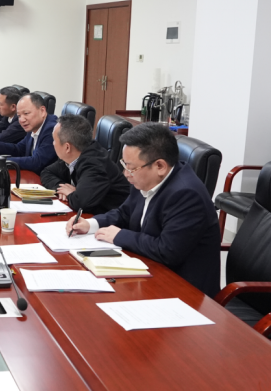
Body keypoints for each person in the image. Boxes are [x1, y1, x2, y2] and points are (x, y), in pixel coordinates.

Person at [66, 123, 221, 298]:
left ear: (160, 166)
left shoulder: (186, 194)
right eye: (124, 165)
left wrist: (119, 235)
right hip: (151, 270)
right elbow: (125, 213)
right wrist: (91, 224)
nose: (125, 173)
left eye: (131, 167)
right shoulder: (146, 178)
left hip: (184, 291)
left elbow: (167, 251)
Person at [40, 114, 129, 214]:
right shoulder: (74, 154)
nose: (53, 143)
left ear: (67, 147)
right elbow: (46, 172)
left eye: (54, 140)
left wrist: (72, 194)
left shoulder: (95, 165)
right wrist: (62, 188)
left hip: (113, 219)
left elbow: (81, 203)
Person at [0, 92, 58, 174]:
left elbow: (36, 162)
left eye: (26, 113)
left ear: (42, 111)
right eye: (19, 115)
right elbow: (19, 149)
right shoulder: (34, 126)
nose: (21, 120)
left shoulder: (52, 129)